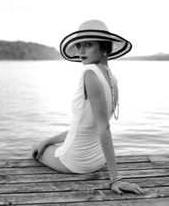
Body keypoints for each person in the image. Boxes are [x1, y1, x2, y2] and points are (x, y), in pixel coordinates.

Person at [32, 19, 144, 196]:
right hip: (97, 160)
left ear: (104, 48)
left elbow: (103, 128)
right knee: (44, 144)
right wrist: (48, 140)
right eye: (79, 46)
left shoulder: (90, 73)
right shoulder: (112, 79)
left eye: (88, 45)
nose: (81, 51)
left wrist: (115, 179)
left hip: (76, 161)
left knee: (36, 150)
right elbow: (85, 126)